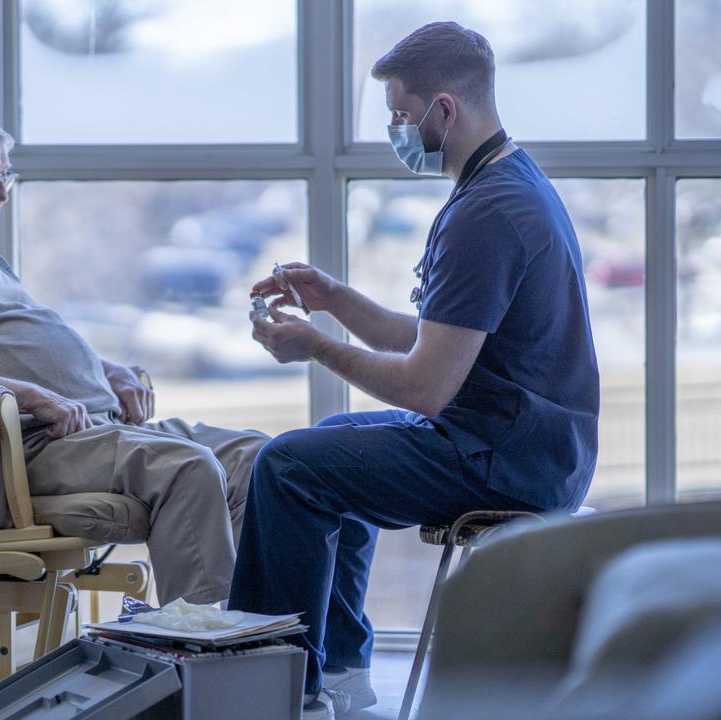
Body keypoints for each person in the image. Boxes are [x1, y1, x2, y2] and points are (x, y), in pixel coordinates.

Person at [228, 22, 600, 719]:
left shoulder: (487, 213)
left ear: (445, 110)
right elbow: (440, 340)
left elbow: (425, 387)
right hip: (531, 442)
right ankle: (339, 670)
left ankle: (277, 695)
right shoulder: (508, 181)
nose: (397, 130)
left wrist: (313, 345)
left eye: (401, 114)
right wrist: (334, 299)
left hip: (507, 458)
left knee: (288, 466)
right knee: (333, 445)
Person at [0, 104, 267, 606]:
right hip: (21, 451)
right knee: (188, 467)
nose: (0, 193)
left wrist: (109, 372)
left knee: (262, 460)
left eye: (5, 177)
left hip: (93, 430)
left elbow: (16, 339)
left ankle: (263, 640)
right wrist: (35, 397)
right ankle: (208, 658)